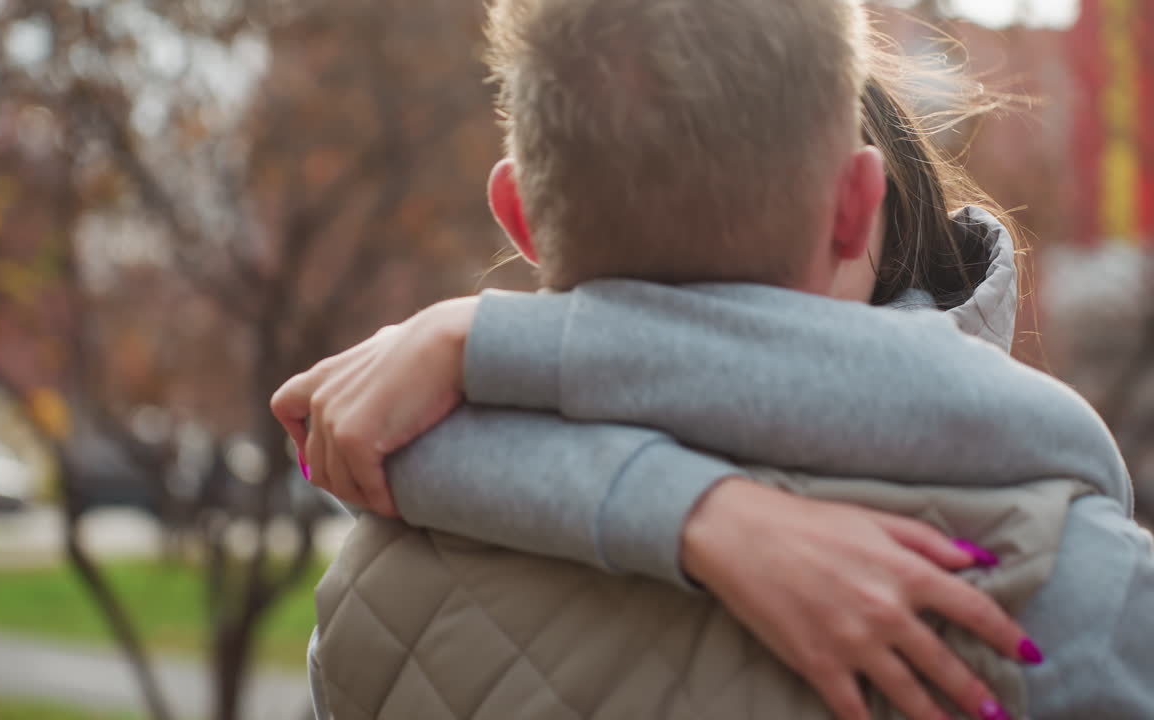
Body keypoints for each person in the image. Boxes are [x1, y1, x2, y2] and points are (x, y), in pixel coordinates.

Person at [273, 2, 1152, 719]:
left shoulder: (377, 598)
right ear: (856, 206)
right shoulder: (1090, 588)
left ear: (520, 218)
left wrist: (486, 340)